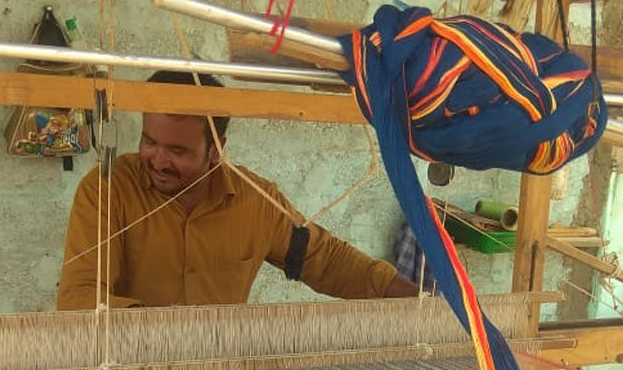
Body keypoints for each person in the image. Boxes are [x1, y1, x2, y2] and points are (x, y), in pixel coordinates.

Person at [56, 70, 418, 310]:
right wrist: (166, 334)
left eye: (178, 151)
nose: (158, 159)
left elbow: (324, 259)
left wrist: (410, 297)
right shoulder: (107, 189)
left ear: (217, 148)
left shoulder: (254, 201)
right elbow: (79, 297)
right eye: (149, 141)